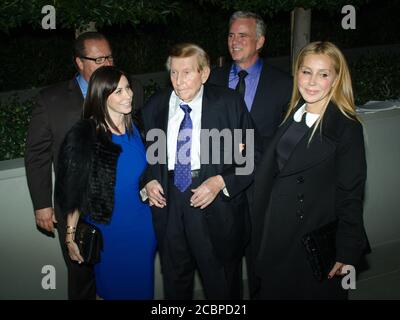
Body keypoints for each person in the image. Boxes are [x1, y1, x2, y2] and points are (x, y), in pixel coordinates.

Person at [24, 32, 144, 300]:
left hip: (122, 210)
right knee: (83, 280)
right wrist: (42, 203)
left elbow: (141, 141)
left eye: (110, 57)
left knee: (123, 279)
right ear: (79, 62)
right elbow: (37, 154)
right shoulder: (52, 100)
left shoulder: (129, 88)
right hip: (76, 209)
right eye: (98, 59)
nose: (107, 63)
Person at [252, 41, 370, 299]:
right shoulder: (294, 111)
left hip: (308, 242)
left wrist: (347, 253)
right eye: (306, 71)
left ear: (336, 78)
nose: (312, 81)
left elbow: (350, 193)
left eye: (323, 74)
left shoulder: (346, 128)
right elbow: (280, 163)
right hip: (273, 233)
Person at [140, 43, 257, 299]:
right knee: (175, 280)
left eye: (187, 73)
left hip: (215, 203)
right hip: (169, 204)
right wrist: (148, 180)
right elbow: (149, 158)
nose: (179, 82)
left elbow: (249, 158)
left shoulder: (229, 103)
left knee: (222, 283)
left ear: (204, 74)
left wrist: (219, 182)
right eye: (173, 73)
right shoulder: (154, 106)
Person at [208, 11, 293, 297]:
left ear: (260, 41)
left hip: (262, 190)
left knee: (261, 264)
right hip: (221, 189)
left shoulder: (284, 84)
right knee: (225, 266)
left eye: (242, 35)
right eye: (231, 35)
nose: (234, 41)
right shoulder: (212, 80)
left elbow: (288, 141)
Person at [55, 66, 156, 300]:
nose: (128, 95)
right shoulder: (85, 135)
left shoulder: (140, 126)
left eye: (128, 88)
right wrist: (70, 237)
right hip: (109, 232)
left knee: (143, 291)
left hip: (144, 229)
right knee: (113, 292)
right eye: (118, 91)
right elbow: (73, 193)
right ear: (102, 96)